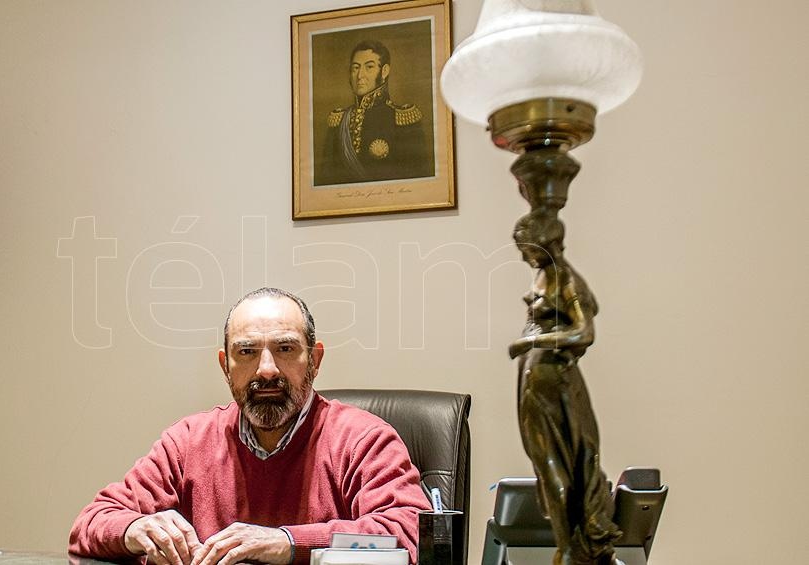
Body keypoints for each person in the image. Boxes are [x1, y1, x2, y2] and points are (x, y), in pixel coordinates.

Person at [69, 287, 430, 565]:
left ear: (315, 360)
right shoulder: (190, 440)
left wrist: (289, 544)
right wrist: (134, 529)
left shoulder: (363, 439)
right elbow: (91, 523)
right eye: (247, 352)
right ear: (225, 365)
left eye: (285, 349)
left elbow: (407, 533)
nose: (266, 369)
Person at [508, 211, 621, 565]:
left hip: (555, 380)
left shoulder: (566, 277)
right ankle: (567, 547)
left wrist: (532, 342)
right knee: (546, 466)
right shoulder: (544, 274)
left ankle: (573, 549)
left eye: (527, 248)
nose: (523, 256)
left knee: (564, 466)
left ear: (546, 242)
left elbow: (585, 333)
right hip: (533, 380)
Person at [316, 40, 432, 186]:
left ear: (384, 71)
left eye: (369, 67)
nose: (360, 76)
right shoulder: (338, 120)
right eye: (355, 68)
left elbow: (419, 182)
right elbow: (325, 183)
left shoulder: (402, 118)